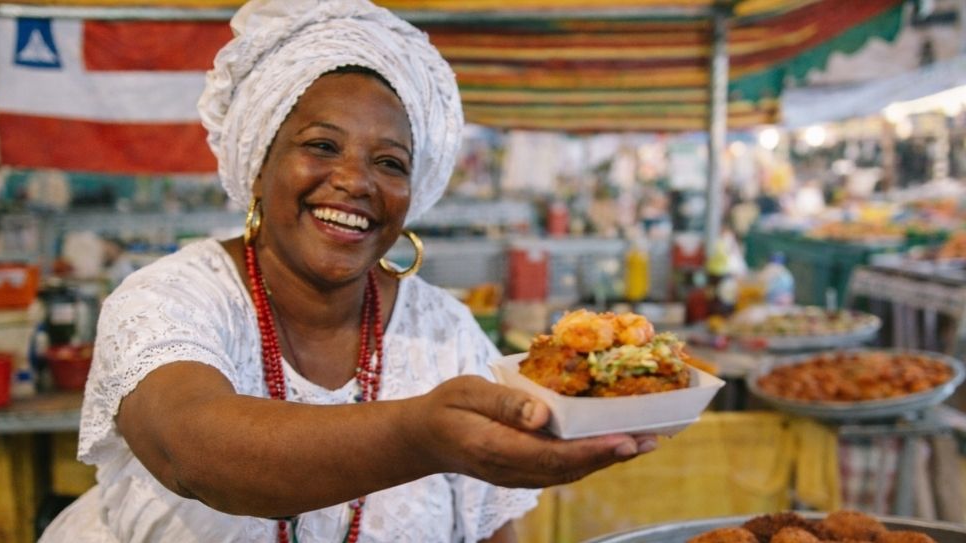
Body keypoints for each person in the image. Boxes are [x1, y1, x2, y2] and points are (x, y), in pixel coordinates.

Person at [40, 1, 658, 541]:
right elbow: (193, 452)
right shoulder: (168, 300)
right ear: (259, 164)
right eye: (322, 146)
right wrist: (421, 437)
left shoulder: (444, 332)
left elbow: (491, 532)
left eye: (389, 162)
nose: (356, 181)